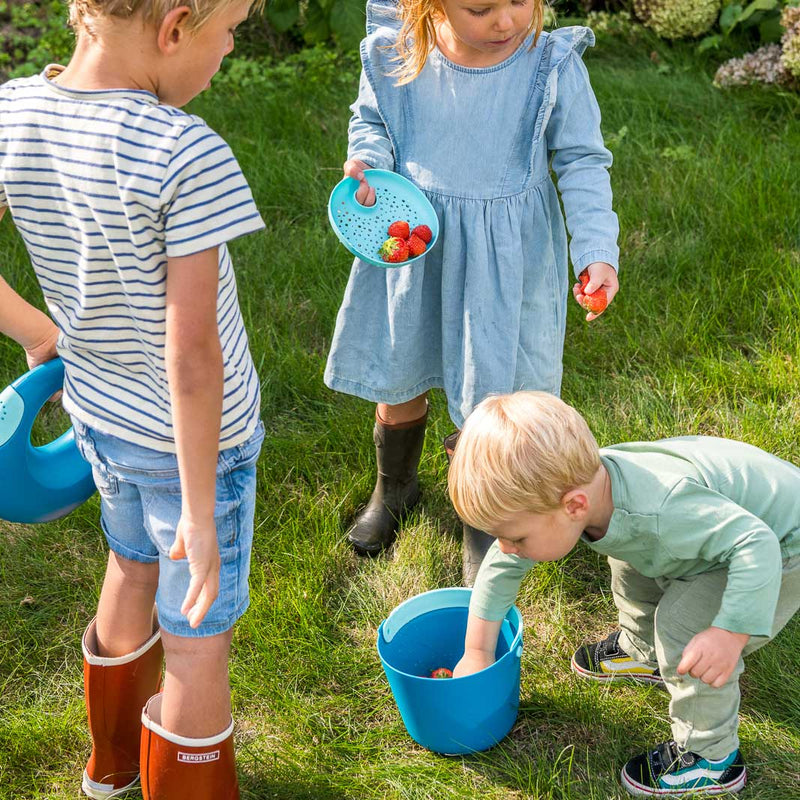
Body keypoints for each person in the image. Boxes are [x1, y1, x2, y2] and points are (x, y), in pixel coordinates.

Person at [0, 1, 266, 797]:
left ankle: (111, 768)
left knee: (129, 565)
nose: (229, 50)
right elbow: (192, 356)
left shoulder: (15, 110)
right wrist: (199, 511)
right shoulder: (185, 151)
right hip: (198, 450)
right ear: (175, 27)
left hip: (101, 421)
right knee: (195, 641)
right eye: (229, 31)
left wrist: (37, 333)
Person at [324, 0, 620, 584]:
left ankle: (486, 517)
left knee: (490, 397)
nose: (506, 21)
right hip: (420, 248)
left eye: (521, 1)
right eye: (482, 8)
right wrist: (368, 163)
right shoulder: (398, 51)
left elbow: (583, 161)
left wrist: (596, 250)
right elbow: (373, 122)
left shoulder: (550, 65)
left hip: (503, 263)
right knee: (403, 370)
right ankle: (395, 487)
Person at [448, 391, 800, 796]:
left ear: (574, 506)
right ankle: (643, 649)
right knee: (629, 558)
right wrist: (477, 651)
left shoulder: (660, 510)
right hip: (724, 527)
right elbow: (502, 566)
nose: (506, 548)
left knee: (684, 628)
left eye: (516, 537)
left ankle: (712, 757)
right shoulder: (591, 491)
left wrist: (729, 633)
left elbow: (756, 543)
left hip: (778, 544)